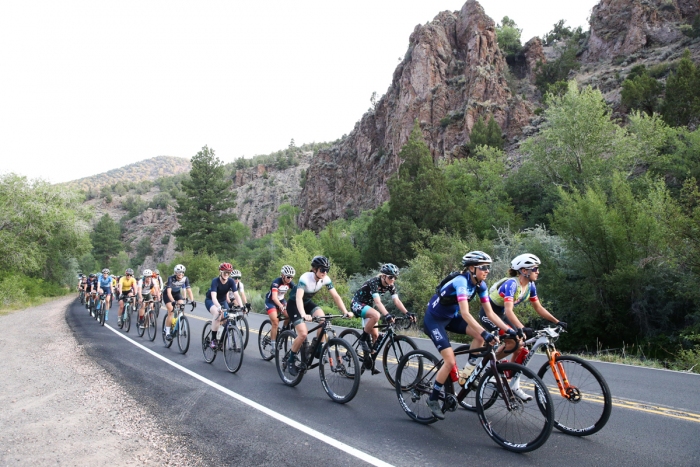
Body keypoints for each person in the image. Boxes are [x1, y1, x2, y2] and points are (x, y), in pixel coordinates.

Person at [422, 251, 514, 420]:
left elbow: (491, 314)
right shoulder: (461, 282)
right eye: (484, 267)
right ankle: (433, 398)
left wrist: (509, 331)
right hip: (434, 320)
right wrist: (485, 332)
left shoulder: (481, 285)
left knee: (479, 338)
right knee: (450, 361)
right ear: (472, 268)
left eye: (489, 268)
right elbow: (465, 313)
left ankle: (468, 373)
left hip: (451, 318)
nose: (487, 271)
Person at [471, 253, 567, 401]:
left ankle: (513, 382)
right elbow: (509, 311)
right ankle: (487, 369)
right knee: (513, 341)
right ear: (524, 271)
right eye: (535, 269)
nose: (538, 272)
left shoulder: (530, 286)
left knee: (521, 346)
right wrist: (521, 327)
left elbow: (539, 308)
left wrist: (556, 321)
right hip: (489, 314)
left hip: (501, 314)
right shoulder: (512, 284)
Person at [285, 256, 353, 376]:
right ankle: (291, 360)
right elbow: (299, 298)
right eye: (322, 269)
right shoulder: (305, 278)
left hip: (307, 304)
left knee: (323, 320)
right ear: (315, 269)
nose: (325, 272)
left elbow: (336, 296)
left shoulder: (325, 279)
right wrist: (303, 315)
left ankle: (316, 347)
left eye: (327, 269)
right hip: (294, 305)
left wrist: (345, 311)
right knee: (303, 334)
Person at [351, 263, 416, 373]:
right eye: (391, 277)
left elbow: (396, 301)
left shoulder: (391, 285)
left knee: (376, 336)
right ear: (383, 276)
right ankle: (362, 339)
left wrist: (407, 313)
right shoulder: (374, 282)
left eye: (395, 277)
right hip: (357, 303)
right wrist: (387, 314)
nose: (393, 279)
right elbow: (377, 302)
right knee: (376, 315)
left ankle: (368, 362)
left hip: (367, 307)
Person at [205, 263, 243, 349]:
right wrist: (218, 307)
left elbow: (236, 295)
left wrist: (242, 306)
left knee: (228, 317)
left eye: (228, 273)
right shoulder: (215, 281)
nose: (226, 274)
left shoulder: (231, 282)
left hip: (222, 301)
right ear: (220, 272)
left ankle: (221, 338)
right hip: (211, 300)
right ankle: (213, 340)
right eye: (225, 272)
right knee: (217, 314)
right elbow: (214, 297)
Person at [264, 265, 296, 351]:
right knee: (275, 322)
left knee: (290, 315)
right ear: (282, 275)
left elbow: (297, 292)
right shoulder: (276, 282)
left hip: (281, 300)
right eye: (288, 277)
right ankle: (273, 346)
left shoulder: (290, 283)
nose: (290, 279)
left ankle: (284, 329)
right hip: (271, 302)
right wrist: (281, 306)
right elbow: (274, 297)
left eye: (292, 277)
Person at [163, 264, 195, 341]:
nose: (181, 274)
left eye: (182, 272)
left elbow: (189, 291)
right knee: (171, 311)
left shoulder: (185, 279)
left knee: (182, 306)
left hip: (177, 294)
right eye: (179, 272)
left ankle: (177, 322)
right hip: (168, 295)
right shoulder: (171, 278)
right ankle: (167, 332)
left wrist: (192, 300)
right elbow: (169, 292)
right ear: (175, 273)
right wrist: (173, 301)